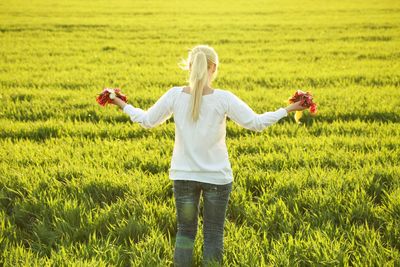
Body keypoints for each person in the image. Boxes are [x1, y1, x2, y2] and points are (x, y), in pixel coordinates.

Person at [110, 44, 306, 266]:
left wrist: (121, 103)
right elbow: (256, 123)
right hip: (217, 179)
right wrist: (288, 109)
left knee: (185, 233)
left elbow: (146, 120)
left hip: (183, 177)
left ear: (191, 67)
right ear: (213, 68)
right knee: (213, 234)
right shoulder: (223, 98)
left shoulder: (174, 95)